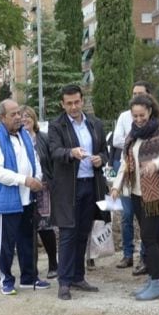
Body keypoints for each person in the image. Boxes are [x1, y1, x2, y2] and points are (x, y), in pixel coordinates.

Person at [110, 94, 159, 301]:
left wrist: (156, 164)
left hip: (157, 195)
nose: (139, 119)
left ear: (150, 112)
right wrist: (117, 186)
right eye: (135, 116)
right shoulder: (133, 135)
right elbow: (127, 162)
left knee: (149, 238)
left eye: (142, 115)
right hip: (136, 193)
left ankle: (157, 283)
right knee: (149, 238)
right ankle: (152, 278)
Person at [49, 84, 109, 301]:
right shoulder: (57, 125)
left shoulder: (95, 123)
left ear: (83, 101)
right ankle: (64, 282)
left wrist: (100, 159)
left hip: (91, 184)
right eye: (69, 103)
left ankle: (78, 276)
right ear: (62, 104)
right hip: (68, 187)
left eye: (77, 102)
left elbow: (104, 150)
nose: (73, 107)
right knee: (68, 234)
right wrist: (70, 152)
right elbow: (54, 151)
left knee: (83, 232)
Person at [0, 99, 49, 296]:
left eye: (19, 113)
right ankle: (5, 279)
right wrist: (25, 180)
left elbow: (35, 160)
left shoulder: (25, 135)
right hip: (8, 200)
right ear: (2, 117)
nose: (18, 117)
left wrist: (37, 178)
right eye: (12, 114)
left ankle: (29, 278)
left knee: (27, 241)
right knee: (6, 243)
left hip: (27, 198)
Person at [110, 81, 154, 272]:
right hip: (127, 170)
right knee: (127, 215)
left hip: (147, 174)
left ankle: (145, 256)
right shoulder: (124, 116)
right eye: (134, 93)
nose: (136, 96)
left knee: (146, 218)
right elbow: (117, 140)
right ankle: (128, 254)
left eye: (140, 94)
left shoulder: (155, 123)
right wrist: (133, 138)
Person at [22, 105, 58, 279]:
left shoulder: (43, 138)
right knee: (28, 230)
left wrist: (50, 182)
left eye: (28, 116)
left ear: (34, 118)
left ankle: (53, 264)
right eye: (21, 116)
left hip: (43, 188)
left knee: (45, 227)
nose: (24, 119)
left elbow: (51, 162)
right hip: (24, 189)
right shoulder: (17, 139)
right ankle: (31, 269)